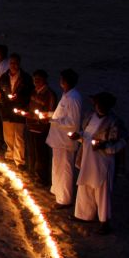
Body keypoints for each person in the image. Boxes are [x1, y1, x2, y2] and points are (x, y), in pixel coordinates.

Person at [72, 92, 128, 234]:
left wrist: (104, 146)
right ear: (95, 104)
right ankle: (84, 215)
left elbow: (121, 142)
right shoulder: (90, 117)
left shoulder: (114, 122)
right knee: (85, 187)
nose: (101, 107)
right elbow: (85, 136)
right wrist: (78, 136)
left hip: (103, 163)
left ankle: (104, 222)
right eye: (99, 104)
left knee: (102, 192)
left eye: (104, 104)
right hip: (87, 159)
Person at [46, 69, 82, 209]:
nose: (60, 81)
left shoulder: (74, 98)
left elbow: (73, 123)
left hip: (65, 141)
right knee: (57, 166)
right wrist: (49, 115)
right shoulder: (66, 95)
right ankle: (57, 191)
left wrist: (53, 121)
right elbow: (61, 115)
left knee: (65, 169)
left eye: (62, 79)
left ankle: (65, 199)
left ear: (66, 81)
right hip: (58, 139)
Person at [0, 53, 34, 168]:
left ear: (19, 63)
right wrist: (1, 97)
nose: (14, 65)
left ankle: (19, 160)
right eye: (12, 63)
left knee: (19, 136)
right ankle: (10, 153)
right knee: (8, 134)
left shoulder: (26, 78)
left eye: (16, 63)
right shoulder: (4, 77)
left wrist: (20, 98)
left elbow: (29, 93)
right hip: (6, 109)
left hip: (19, 110)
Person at [25, 70, 57, 185]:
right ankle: (33, 173)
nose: (36, 81)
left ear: (44, 80)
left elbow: (51, 113)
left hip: (41, 129)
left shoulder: (49, 94)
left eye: (38, 79)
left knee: (42, 154)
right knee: (32, 152)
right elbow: (30, 107)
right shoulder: (34, 92)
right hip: (31, 126)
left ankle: (42, 178)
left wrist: (38, 116)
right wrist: (27, 114)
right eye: (34, 79)